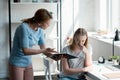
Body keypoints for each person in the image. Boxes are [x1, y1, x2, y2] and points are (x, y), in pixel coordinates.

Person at [9, 8, 57, 80]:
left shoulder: (40, 31)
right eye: (47, 23)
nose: (49, 25)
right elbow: (26, 51)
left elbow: (43, 49)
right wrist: (44, 50)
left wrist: (54, 56)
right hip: (17, 63)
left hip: (28, 63)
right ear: (40, 22)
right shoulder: (23, 28)